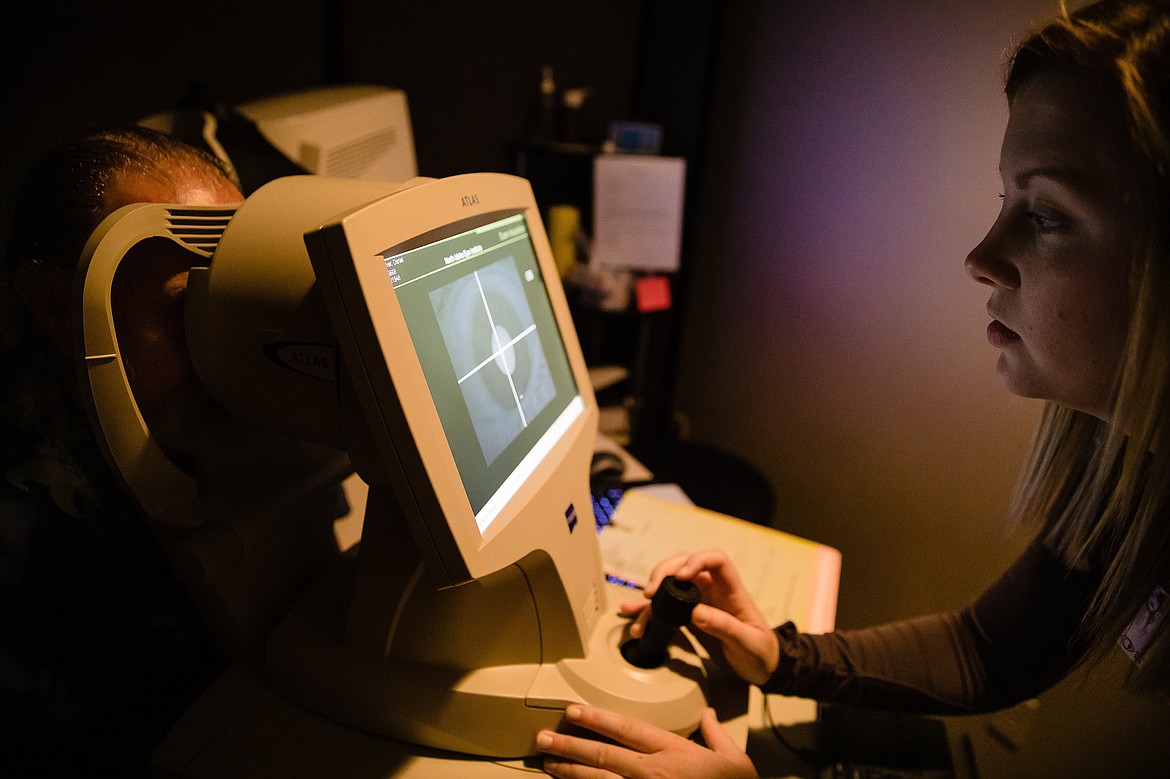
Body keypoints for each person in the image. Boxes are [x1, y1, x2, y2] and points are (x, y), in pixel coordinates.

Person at [537, 1, 1170, 776]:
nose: (980, 255)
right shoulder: (1135, 470)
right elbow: (987, 652)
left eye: (1045, 215)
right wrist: (783, 657)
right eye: (1006, 201)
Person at [0, 126, 244, 774]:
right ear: (58, 309)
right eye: (186, 311)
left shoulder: (212, 428)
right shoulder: (31, 538)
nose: (227, 355)